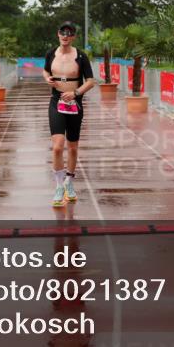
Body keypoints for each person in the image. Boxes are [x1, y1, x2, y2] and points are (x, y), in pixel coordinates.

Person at [42, 21, 95, 207]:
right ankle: (58, 186)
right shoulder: (50, 54)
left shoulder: (80, 56)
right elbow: (45, 70)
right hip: (56, 102)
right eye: (62, 32)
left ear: (73, 37)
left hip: (74, 103)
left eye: (69, 33)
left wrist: (76, 93)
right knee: (57, 147)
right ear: (58, 34)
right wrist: (47, 79)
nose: (65, 36)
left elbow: (91, 81)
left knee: (72, 147)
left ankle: (69, 183)